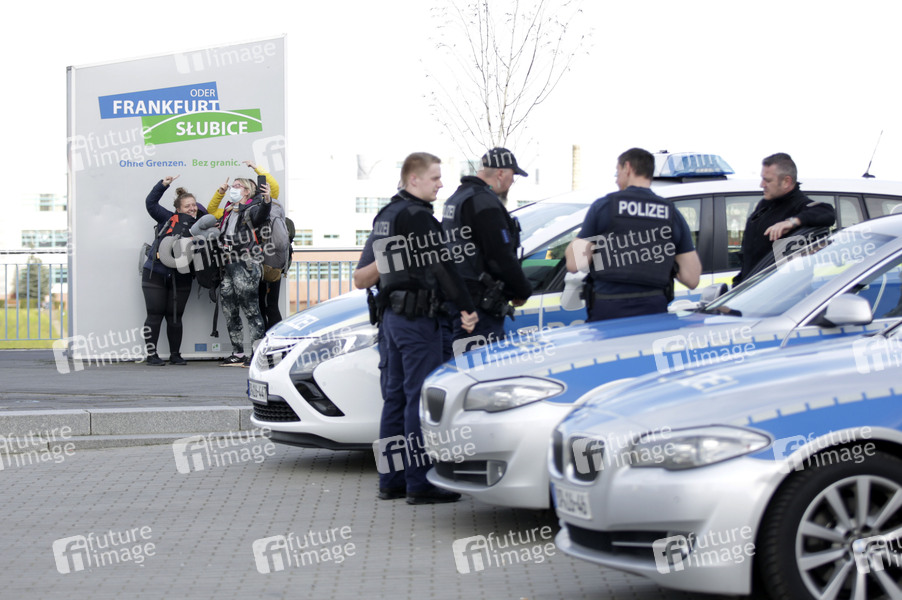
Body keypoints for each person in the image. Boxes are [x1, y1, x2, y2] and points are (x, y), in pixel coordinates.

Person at [357, 152, 478, 504]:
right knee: (418, 398)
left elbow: (368, 273)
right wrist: (467, 307)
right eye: (435, 178)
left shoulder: (387, 214)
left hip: (392, 320)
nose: (441, 184)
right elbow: (443, 267)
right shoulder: (418, 216)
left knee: (395, 399)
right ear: (414, 179)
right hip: (417, 320)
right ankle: (420, 483)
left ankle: (391, 480)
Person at [565, 147, 701, 321]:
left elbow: (575, 264)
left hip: (608, 312)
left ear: (627, 168)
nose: (616, 180)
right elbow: (692, 279)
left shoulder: (605, 207)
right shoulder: (671, 214)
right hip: (653, 313)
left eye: (617, 172)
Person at [441, 147, 533, 344]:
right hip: (479, 306)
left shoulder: (457, 198)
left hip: (457, 298)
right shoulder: (483, 202)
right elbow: (499, 255)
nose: (512, 181)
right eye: (513, 175)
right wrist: (522, 290)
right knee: (483, 361)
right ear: (501, 173)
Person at [732, 153, 836, 286]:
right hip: (752, 288)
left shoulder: (799, 206)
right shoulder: (764, 205)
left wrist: (792, 222)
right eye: (762, 179)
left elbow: (827, 212)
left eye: (767, 180)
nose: (762, 185)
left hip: (783, 292)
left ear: (786, 181)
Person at [206, 164, 273, 366]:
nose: (232, 189)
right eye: (232, 186)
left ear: (247, 191)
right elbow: (212, 212)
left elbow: (262, 214)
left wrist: (267, 199)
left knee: (251, 310)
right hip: (227, 264)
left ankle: (257, 354)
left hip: (246, 264)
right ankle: (238, 353)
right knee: (230, 309)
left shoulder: (252, 209)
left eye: (237, 186)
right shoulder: (228, 209)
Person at [141, 175, 205, 365]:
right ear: (178, 209)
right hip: (156, 273)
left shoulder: (200, 226)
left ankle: (175, 355)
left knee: (175, 316)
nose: (192, 208)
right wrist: (162, 185)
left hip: (182, 276)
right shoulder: (167, 218)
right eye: (187, 206)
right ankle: (152, 356)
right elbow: (150, 203)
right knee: (155, 314)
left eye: (194, 205)